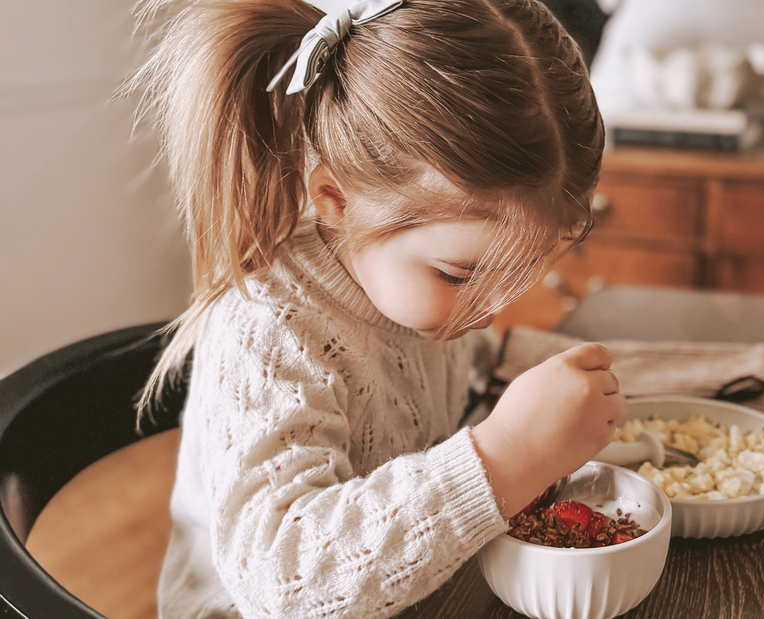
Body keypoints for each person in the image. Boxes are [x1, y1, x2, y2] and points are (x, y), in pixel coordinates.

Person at [121, 0, 624, 617]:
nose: (492, 310)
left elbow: (441, 373)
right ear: (336, 201)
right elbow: (282, 582)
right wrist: (502, 456)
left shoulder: (415, 291)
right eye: (461, 274)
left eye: (520, 274)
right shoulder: (269, 330)